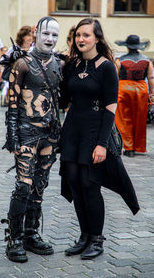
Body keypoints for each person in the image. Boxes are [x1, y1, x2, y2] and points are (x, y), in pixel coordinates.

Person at [59, 18, 140, 260]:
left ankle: (97, 239)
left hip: (95, 132)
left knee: (89, 184)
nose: (81, 39)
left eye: (86, 35)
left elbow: (110, 108)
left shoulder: (106, 67)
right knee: (73, 181)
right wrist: (60, 70)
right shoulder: (72, 66)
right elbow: (64, 101)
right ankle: (84, 236)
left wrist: (102, 144)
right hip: (72, 130)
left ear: (97, 38)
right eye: (77, 36)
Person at [1, 16, 61, 263]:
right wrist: (13, 137)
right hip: (27, 132)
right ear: (36, 33)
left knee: (39, 186)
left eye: (55, 35)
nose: (50, 39)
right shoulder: (22, 64)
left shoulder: (59, 63)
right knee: (23, 185)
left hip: (50, 134)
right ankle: (14, 238)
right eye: (46, 33)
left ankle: (31, 234)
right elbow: (13, 105)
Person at [114, 35, 154, 157]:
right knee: (139, 119)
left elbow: (114, 77)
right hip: (141, 90)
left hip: (124, 89)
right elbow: (151, 78)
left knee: (124, 118)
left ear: (127, 47)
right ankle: (138, 146)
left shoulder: (120, 60)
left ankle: (128, 147)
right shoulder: (147, 60)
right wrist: (152, 93)